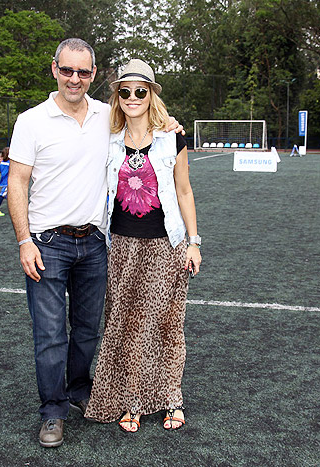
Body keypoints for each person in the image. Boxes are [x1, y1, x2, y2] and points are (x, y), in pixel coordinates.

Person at [7, 39, 182, 448]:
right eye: (67, 70)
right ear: (54, 69)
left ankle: (80, 389)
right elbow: (17, 181)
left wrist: (170, 123)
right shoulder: (31, 121)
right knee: (50, 334)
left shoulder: (109, 115)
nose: (74, 79)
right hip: (47, 243)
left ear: (94, 74)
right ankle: (53, 411)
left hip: (96, 244)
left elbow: (145, 121)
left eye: (83, 72)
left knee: (86, 330)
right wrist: (23, 241)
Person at [83, 59, 202, 433]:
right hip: (121, 246)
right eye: (125, 91)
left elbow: (184, 190)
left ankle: (172, 399)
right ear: (117, 96)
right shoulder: (108, 137)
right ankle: (132, 400)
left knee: (166, 324)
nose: (132, 97)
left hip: (167, 245)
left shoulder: (173, 137)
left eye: (140, 91)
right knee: (126, 323)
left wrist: (194, 242)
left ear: (152, 95)